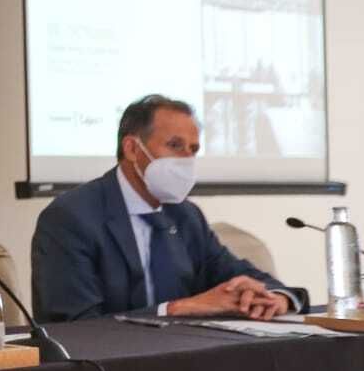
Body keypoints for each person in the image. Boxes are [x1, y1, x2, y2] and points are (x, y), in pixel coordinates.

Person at [31, 94, 301, 322]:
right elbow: (75, 324)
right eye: (175, 145)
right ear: (132, 149)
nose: (186, 159)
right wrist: (176, 309)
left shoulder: (185, 215)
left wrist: (274, 297)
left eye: (193, 149)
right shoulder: (71, 217)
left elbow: (236, 274)